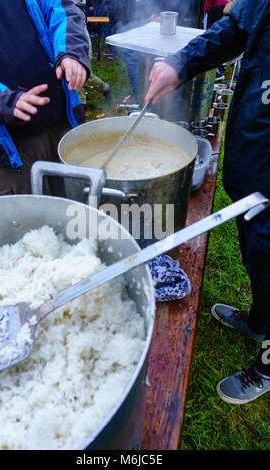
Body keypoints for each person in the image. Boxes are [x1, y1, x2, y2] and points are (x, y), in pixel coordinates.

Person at [146, 0, 270, 405]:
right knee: (256, 251)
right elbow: (235, 28)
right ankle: (259, 320)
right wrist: (179, 63)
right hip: (255, 161)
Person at [0, 0, 90, 196]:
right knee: (35, 221)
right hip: (6, 147)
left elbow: (62, 9)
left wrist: (71, 53)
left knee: (78, 206)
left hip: (61, 121)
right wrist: (1, 102)